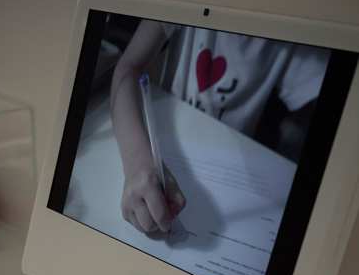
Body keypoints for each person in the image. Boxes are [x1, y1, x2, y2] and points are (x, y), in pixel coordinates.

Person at [110, 19, 330, 233]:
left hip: (232, 169)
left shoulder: (292, 27)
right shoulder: (191, 1)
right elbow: (128, 67)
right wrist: (137, 162)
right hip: (166, 143)